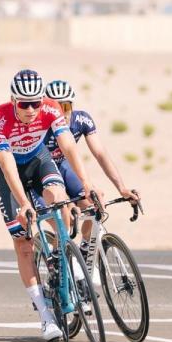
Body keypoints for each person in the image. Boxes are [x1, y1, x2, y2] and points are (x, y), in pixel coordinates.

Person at [0, 69, 101, 342]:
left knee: (60, 201)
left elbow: (69, 148)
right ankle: (45, 317)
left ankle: (64, 262)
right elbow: (6, 164)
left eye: (35, 103)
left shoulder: (50, 109)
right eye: (24, 104)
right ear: (13, 100)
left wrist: (86, 185)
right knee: (23, 244)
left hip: (39, 159)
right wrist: (24, 203)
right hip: (10, 171)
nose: (30, 109)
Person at [42, 80, 139, 250]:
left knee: (93, 206)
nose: (61, 113)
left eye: (65, 107)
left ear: (72, 105)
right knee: (66, 218)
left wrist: (121, 189)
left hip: (65, 167)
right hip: (44, 173)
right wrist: (69, 204)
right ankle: (59, 265)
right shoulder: (40, 128)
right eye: (56, 108)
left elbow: (100, 154)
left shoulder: (81, 119)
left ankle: (85, 249)